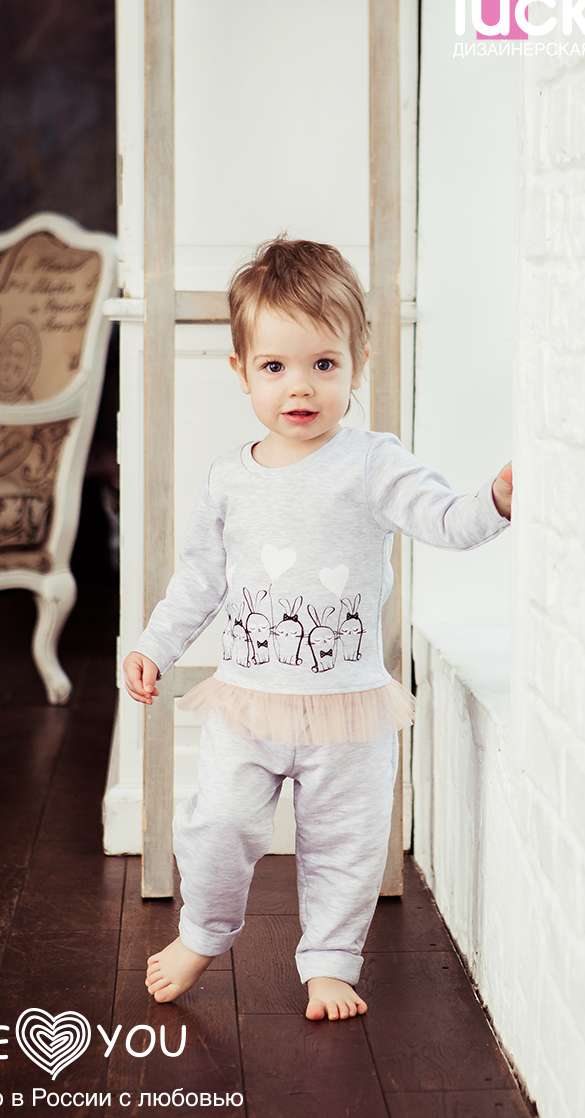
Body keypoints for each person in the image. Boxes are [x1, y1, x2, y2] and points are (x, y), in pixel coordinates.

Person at [123, 237, 513, 1021]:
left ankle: (331, 962)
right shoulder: (229, 478)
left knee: (347, 839)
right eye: (275, 366)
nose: (299, 385)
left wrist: (497, 500)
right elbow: (200, 578)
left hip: (348, 708)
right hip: (249, 702)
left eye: (324, 364)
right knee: (219, 821)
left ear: (358, 364)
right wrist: (153, 644)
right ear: (241, 371)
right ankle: (203, 930)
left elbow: (445, 518)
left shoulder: (373, 462)